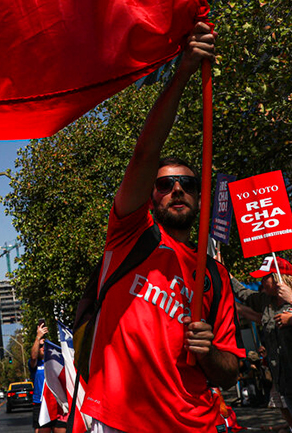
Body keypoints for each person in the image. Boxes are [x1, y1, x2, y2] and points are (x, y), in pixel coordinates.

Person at [79, 22, 244, 433]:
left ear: (199, 198)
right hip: (119, 421)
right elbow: (145, 151)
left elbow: (229, 370)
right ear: (151, 196)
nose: (176, 190)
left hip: (195, 424)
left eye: (187, 184)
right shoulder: (130, 233)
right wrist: (184, 71)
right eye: (164, 183)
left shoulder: (214, 276)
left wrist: (208, 352)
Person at [230, 256, 292, 428]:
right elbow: (245, 295)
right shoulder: (266, 301)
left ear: (279, 278)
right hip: (280, 377)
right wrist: (226, 275)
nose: (262, 281)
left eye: (266, 277)